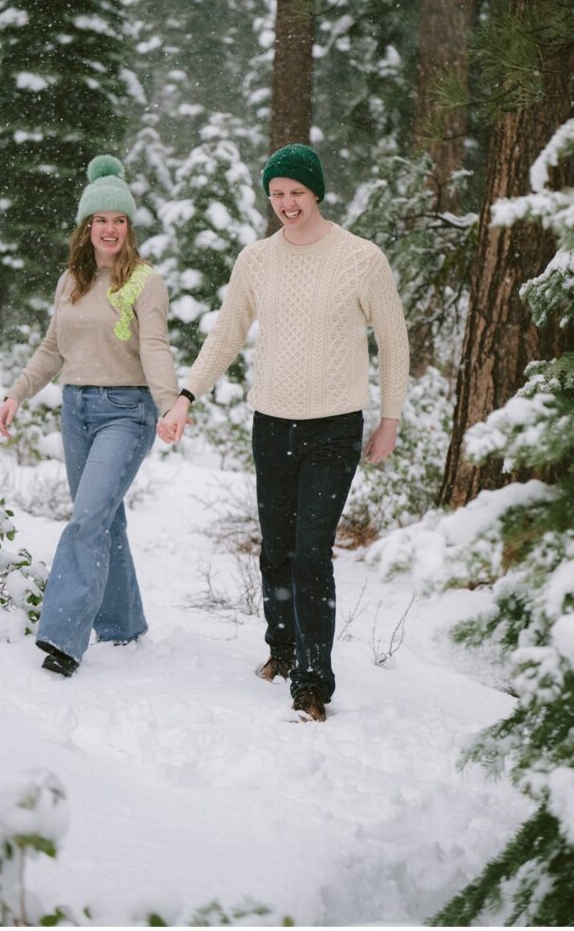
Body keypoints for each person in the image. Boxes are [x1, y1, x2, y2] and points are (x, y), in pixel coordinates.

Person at [159, 143, 409, 721]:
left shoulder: (361, 257)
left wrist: (389, 418)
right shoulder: (256, 260)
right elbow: (225, 334)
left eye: (296, 192)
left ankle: (313, 683)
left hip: (335, 427)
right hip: (271, 423)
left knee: (310, 552)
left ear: (316, 192)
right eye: (277, 194)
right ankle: (281, 649)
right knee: (276, 549)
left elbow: (393, 341)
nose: (287, 204)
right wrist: (186, 397)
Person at [0, 155, 178, 677]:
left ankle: (62, 636)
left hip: (126, 413)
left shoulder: (146, 281)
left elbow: (155, 347)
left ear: (129, 227)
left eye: (119, 220)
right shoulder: (69, 282)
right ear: (86, 227)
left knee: (86, 520)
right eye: (101, 220)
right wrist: (17, 393)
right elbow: (53, 349)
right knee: (104, 519)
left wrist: (170, 404)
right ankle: (122, 625)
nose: (110, 229)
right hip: (74, 410)